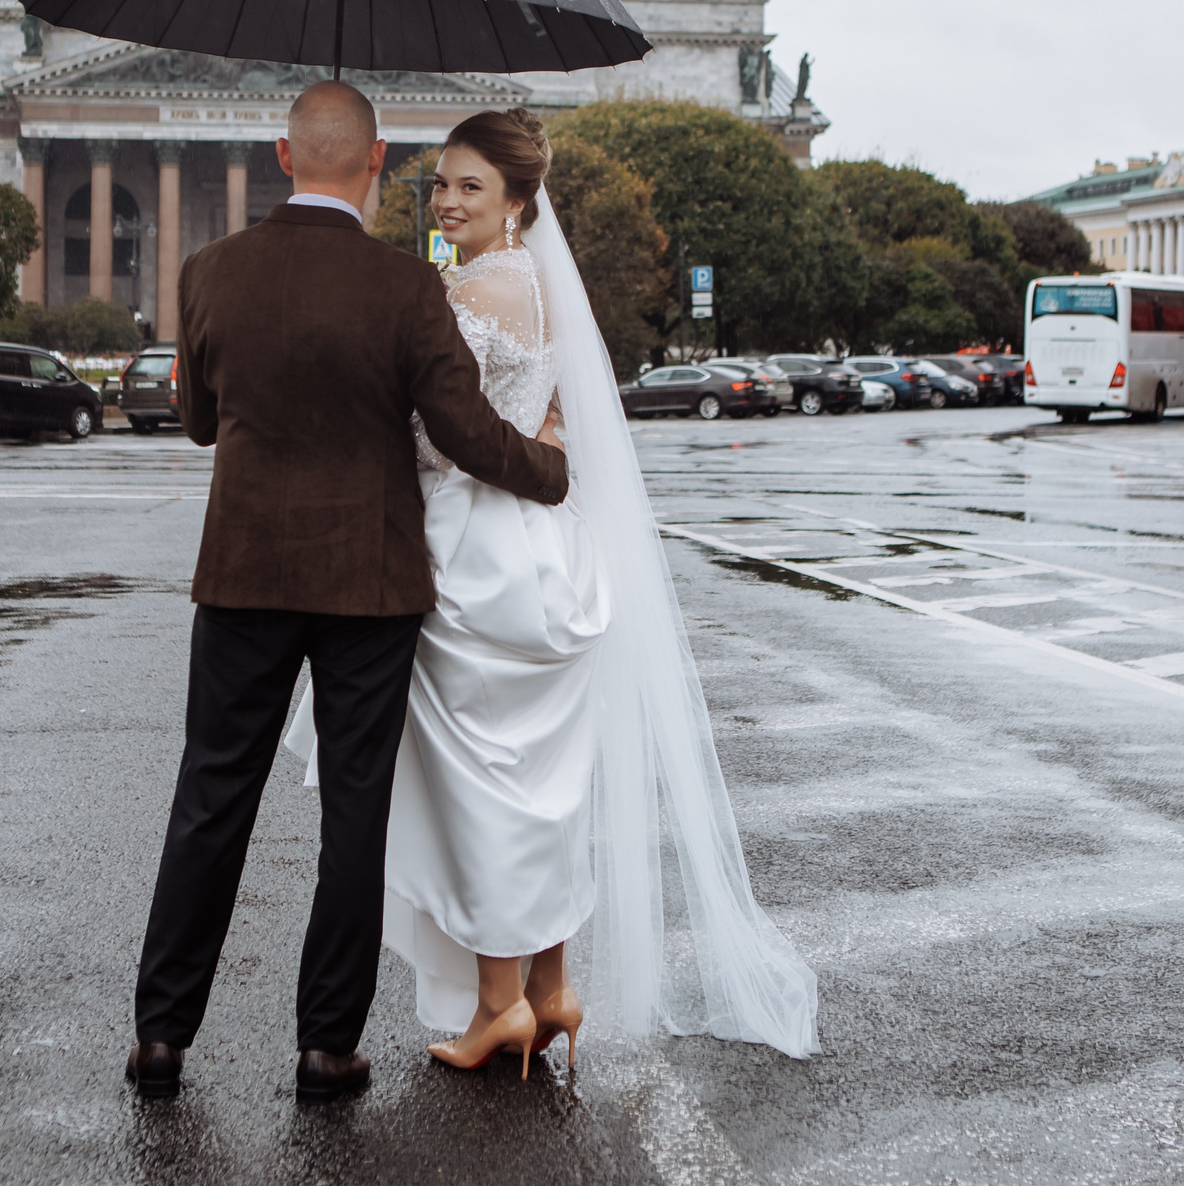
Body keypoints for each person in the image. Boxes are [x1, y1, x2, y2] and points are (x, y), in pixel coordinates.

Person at [290, 109, 818, 1072]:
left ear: (519, 201)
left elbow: (430, 431)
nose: (447, 200)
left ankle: (500, 1007)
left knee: (483, 791)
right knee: (543, 788)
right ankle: (552, 988)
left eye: (470, 188)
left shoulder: (461, 293)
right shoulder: (538, 287)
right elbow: (558, 417)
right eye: (441, 183)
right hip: (547, 550)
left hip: (471, 550)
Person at [126, 81, 569, 1108]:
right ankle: (327, 1049)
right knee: (352, 819)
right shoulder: (405, 288)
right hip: (371, 582)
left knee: (210, 800)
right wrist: (553, 472)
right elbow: (461, 432)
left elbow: (198, 422)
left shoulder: (208, 273)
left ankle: (161, 1034)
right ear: (375, 165)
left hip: (242, 574)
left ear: (283, 158)